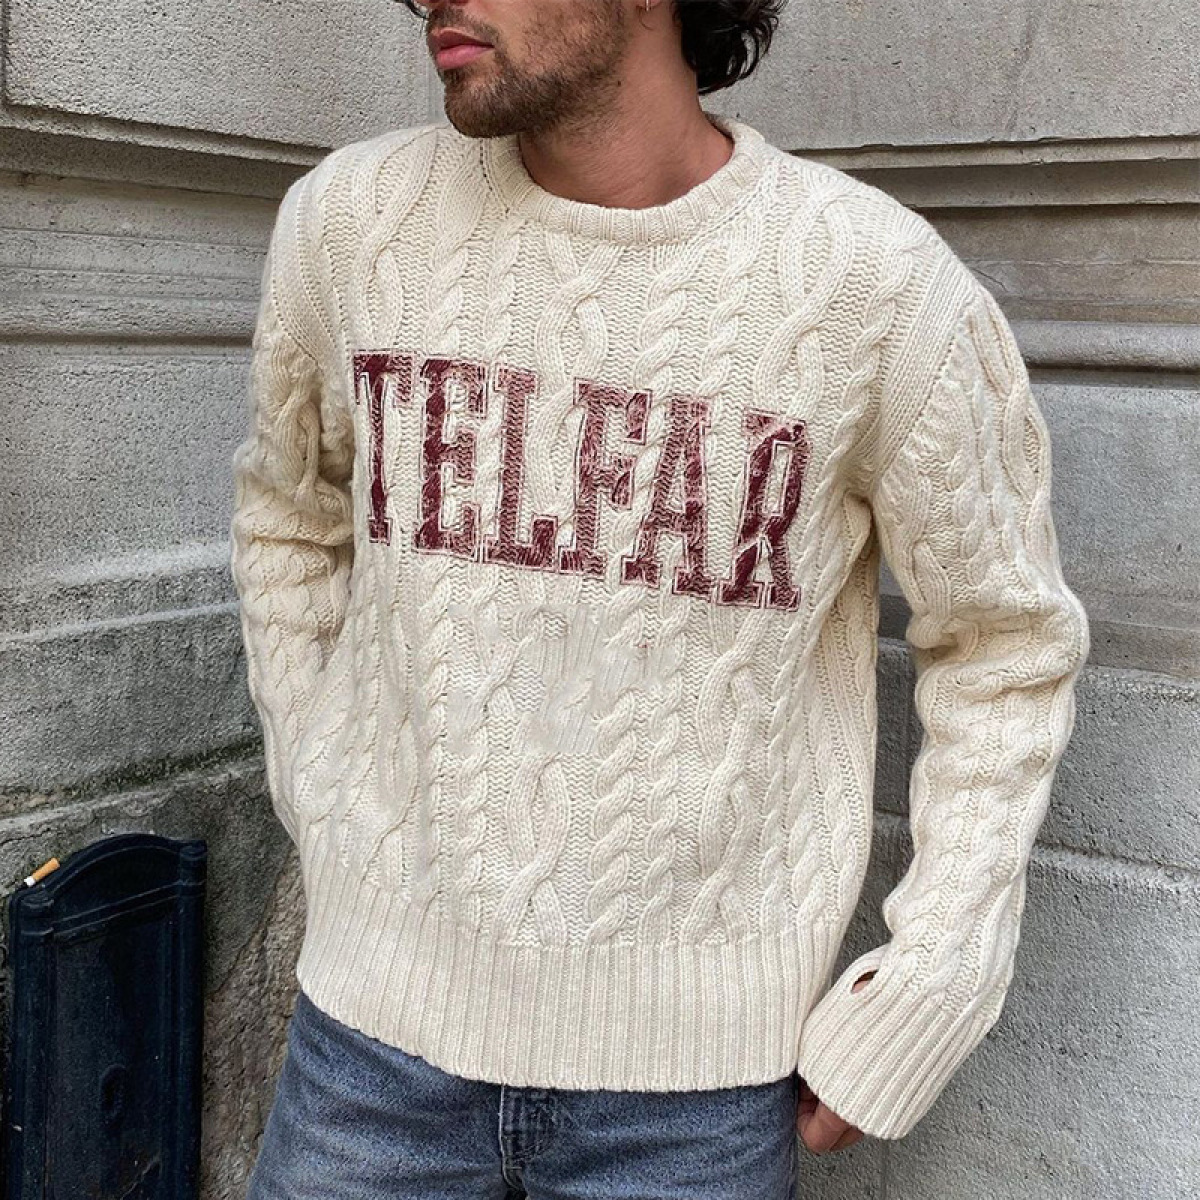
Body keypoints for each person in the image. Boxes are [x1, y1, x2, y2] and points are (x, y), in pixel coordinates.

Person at [230, 0, 1090, 1196]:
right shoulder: (348, 224)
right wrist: (319, 782)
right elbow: (288, 515)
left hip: (693, 1108)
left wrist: (933, 978)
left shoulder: (876, 289)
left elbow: (1005, 645)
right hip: (366, 1058)